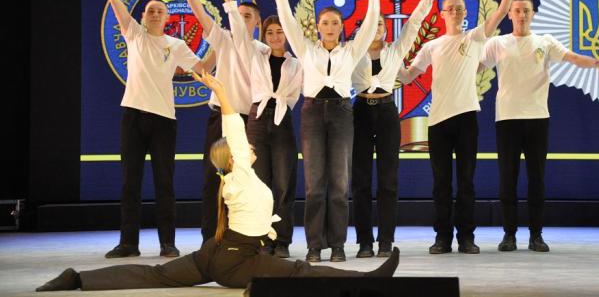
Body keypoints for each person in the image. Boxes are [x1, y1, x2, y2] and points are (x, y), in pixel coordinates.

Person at [36, 71, 400, 293]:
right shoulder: (238, 173)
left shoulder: (237, 179)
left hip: (215, 253)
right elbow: (233, 127)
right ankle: (368, 281)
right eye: (244, 148)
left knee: (155, 275)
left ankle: (77, 278)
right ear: (234, 156)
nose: (250, 147)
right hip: (235, 261)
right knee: (300, 272)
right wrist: (222, 94)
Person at [399, 0, 527, 255]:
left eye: (459, 8)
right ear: (442, 14)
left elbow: (502, 11)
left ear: (464, 13)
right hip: (437, 122)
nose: (454, 12)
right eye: (450, 9)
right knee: (441, 184)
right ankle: (442, 238)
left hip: (467, 118)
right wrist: (385, 62)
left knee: (466, 182)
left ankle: (466, 238)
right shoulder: (431, 46)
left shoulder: (474, 38)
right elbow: (407, 76)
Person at [82, 0, 204, 259]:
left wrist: (222, 42)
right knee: (129, 183)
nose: (155, 13)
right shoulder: (134, 33)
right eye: (151, 10)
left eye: (160, 11)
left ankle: (168, 243)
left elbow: (203, 69)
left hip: (164, 121)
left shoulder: (176, 45)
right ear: (143, 15)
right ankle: (128, 243)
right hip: (133, 117)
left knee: (165, 184)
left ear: (168, 17)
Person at [273, 0, 380, 262]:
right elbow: (287, 21)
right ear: (317, 26)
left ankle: (338, 245)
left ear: (342, 27)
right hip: (312, 114)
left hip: (342, 113)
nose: (330, 27)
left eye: (335, 22)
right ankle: (314, 246)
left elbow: (370, 24)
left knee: (340, 184)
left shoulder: (351, 51)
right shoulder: (306, 49)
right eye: (325, 22)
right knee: (314, 185)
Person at [480, 0, 599, 252]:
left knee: (536, 179)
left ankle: (536, 235)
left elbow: (572, 58)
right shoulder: (497, 43)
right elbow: (474, 68)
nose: (522, 15)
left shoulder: (545, 42)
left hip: (537, 119)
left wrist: (595, 62)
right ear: (510, 14)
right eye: (517, 10)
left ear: (533, 14)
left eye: (526, 10)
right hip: (507, 119)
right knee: (508, 179)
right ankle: (509, 235)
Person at [351, 0, 450, 258]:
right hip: (360, 113)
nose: (377, 27)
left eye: (381, 23)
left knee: (388, 180)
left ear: (386, 29)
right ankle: (365, 242)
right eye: (372, 23)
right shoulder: (351, 52)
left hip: (386, 114)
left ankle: (385, 241)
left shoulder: (395, 51)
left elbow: (415, 21)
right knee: (360, 181)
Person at [210, 0, 303, 259]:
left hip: (283, 121)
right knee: (257, 183)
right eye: (270, 32)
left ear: (287, 34)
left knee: (284, 185)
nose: (274, 36)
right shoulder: (255, 56)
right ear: (263, 35)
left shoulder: (298, 64)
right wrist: (228, 0)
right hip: (258, 121)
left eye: (279, 32)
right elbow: (239, 33)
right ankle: (262, 240)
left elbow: (299, 92)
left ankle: (282, 241)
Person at [170, 0, 262, 243]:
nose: (242, 20)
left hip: (249, 121)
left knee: (246, 180)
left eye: (248, 17)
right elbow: (200, 15)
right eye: (239, 15)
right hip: (220, 118)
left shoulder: (263, 50)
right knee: (213, 178)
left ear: (257, 23)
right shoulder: (223, 39)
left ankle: (245, 238)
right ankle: (210, 239)